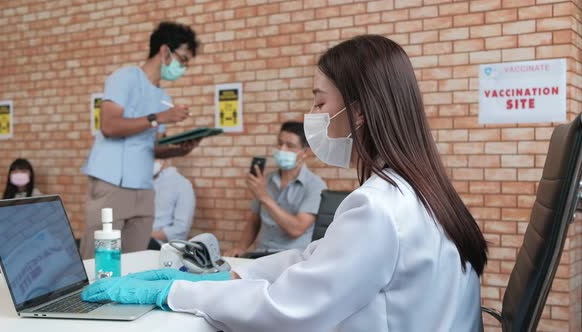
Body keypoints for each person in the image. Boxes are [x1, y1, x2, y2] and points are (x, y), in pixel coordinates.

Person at [82, 35, 489, 331]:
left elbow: (288, 309)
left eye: (319, 102)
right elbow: (314, 260)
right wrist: (229, 276)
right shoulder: (417, 191)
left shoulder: (378, 207)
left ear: (360, 112)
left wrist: (176, 293)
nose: (312, 114)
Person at [79, 21, 201, 259]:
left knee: (133, 263)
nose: (183, 67)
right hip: (112, 183)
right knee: (99, 263)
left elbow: (150, 146)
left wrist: (179, 151)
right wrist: (160, 117)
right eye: (183, 60)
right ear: (165, 51)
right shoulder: (124, 78)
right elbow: (109, 126)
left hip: (144, 189)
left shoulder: (164, 97)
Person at [225, 121, 327, 258]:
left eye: (290, 146)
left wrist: (264, 197)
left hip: (291, 259)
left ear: (305, 152)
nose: (282, 150)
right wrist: (241, 247)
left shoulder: (316, 186)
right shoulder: (265, 180)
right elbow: (254, 220)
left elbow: (296, 229)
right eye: (280, 143)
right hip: (259, 255)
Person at [148, 159, 196, 250]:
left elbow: (181, 229)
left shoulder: (182, 184)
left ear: (163, 159)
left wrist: (146, 234)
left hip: (160, 244)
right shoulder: (143, 183)